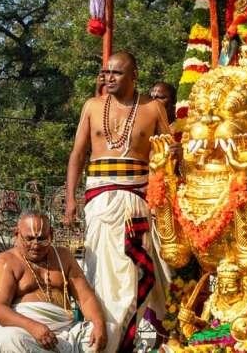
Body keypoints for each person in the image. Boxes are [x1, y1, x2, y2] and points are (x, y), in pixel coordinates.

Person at [65, 50, 169, 352]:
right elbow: (77, 155)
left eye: (117, 73)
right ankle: (102, 336)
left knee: (132, 274)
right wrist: (70, 198)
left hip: (137, 200)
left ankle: (124, 342)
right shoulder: (92, 106)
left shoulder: (153, 109)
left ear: (133, 75)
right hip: (99, 201)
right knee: (102, 275)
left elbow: (169, 156)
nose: (108, 77)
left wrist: (172, 155)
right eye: (106, 72)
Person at [0, 211, 108, 353]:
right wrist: (33, 327)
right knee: (5, 339)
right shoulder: (5, 261)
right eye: (29, 239)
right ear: (16, 234)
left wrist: (99, 324)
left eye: (42, 239)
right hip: (25, 333)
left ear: (51, 234)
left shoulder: (64, 257)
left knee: (107, 331)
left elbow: (85, 298)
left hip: (65, 334)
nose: (36, 245)